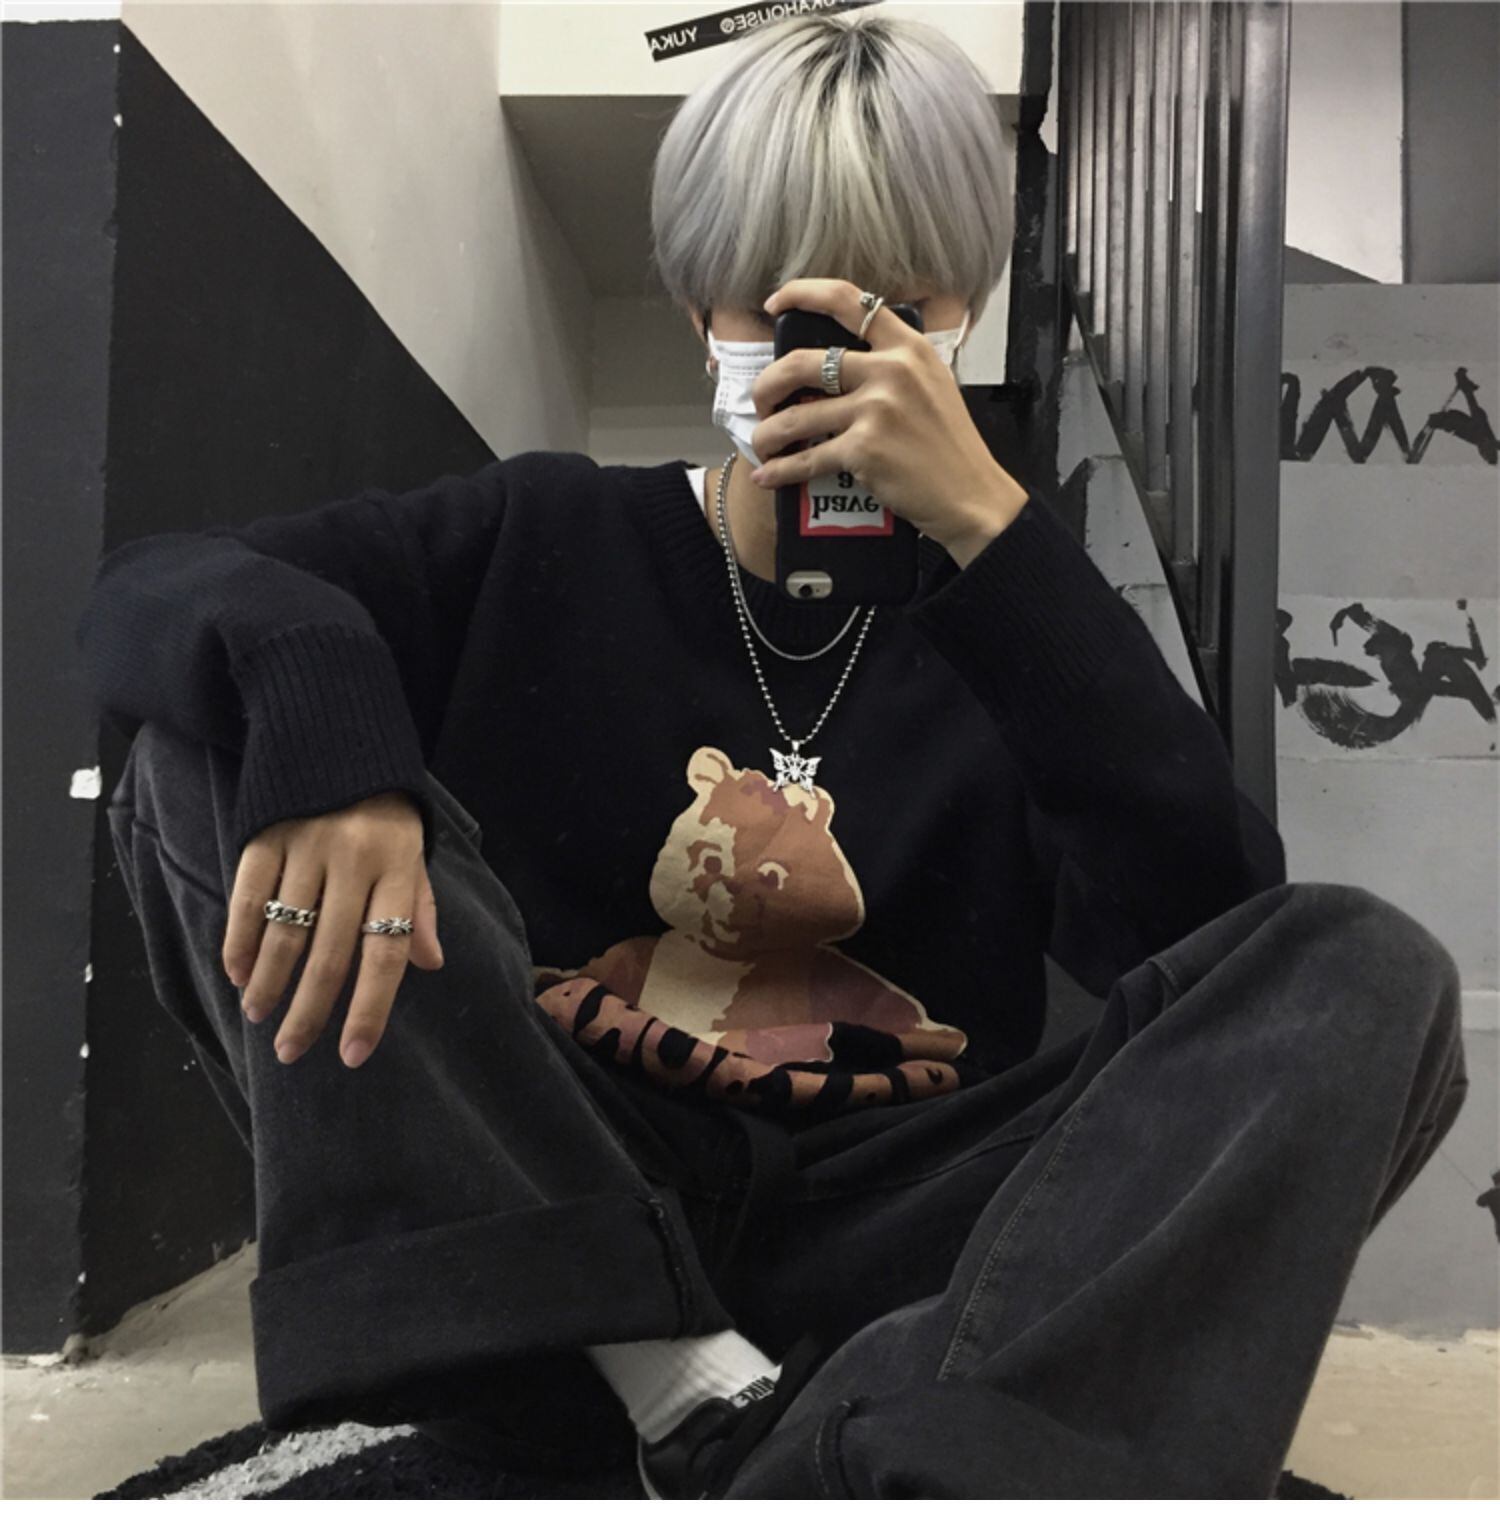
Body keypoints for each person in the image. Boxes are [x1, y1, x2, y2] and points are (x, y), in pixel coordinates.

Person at [76, 10, 1468, 1501]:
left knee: (1370, 974)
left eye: (893, 311)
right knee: (209, 753)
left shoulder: (1022, 617)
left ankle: (843, 1438)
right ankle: (700, 1395)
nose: (833, 364)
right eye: (780, 312)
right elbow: (153, 589)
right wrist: (332, 734)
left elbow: (1212, 937)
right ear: (700, 313)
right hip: (564, 1197)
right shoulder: (545, 530)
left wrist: (992, 536)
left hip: (908, 1226)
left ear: (968, 313)